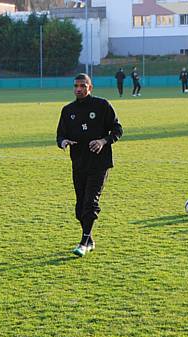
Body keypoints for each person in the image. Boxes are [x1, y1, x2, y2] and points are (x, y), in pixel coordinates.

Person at [56, 73, 123, 257]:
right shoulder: (67, 110)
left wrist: (103, 141)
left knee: (90, 203)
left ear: (90, 88)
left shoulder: (102, 106)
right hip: (78, 163)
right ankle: (90, 238)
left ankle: (83, 243)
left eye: (83, 86)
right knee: (80, 208)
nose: (79, 89)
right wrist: (63, 142)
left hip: (99, 164)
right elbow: (60, 135)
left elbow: (118, 130)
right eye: (76, 86)